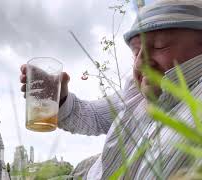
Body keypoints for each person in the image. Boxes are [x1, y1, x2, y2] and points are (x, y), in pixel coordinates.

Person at [20, 0, 202, 179]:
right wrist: (61, 99)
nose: (139, 62)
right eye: (135, 52)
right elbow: (93, 117)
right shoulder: (135, 93)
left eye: (159, 45)